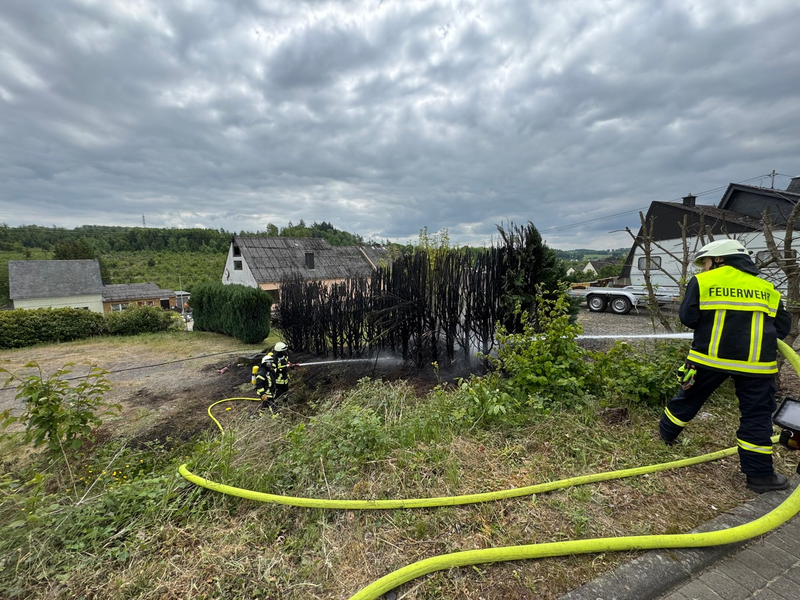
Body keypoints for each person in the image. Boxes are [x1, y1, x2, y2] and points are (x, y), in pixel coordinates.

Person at [659, 239, 792, 493]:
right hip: (757, 367)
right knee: (756, 417)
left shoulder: (704, 282)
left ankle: (665, 436)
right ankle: (760, 476)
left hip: (708, 359)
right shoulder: (767, 288)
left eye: (706, 262)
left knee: (688, 399)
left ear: (719, 259)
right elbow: (782, 327)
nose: (704, 268)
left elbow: (689, 318)